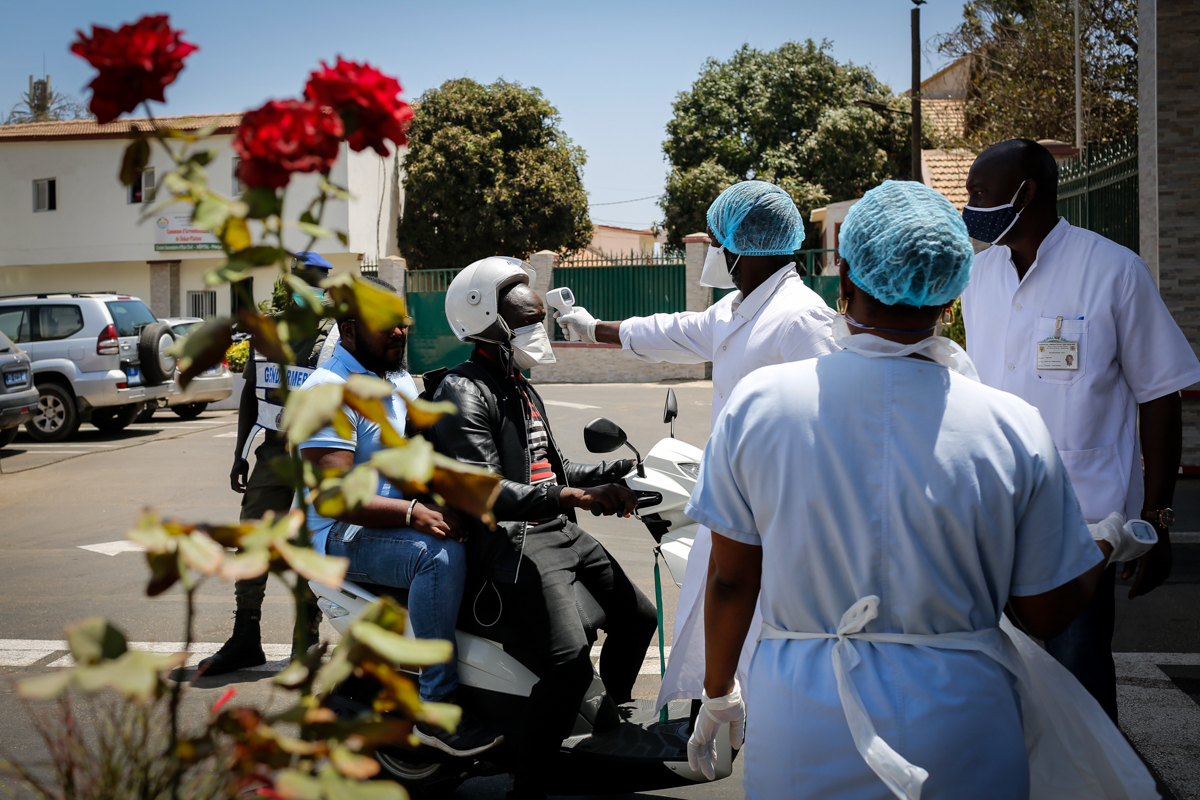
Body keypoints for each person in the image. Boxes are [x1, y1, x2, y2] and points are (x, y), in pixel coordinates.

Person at [686, 181, 1132, 799]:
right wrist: (1106, 543)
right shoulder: (1011, 424)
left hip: (804, 718)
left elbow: (732, 580)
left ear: (843, 284)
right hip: (965, 725)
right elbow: (1043, 610)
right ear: (950, 297)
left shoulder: (761, 405)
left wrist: (717, 693)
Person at [555, 180, 839, 710]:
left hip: (781, 512)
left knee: (769, 646)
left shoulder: (801, 318)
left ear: (737, 245)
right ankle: (716, 713)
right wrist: (593, 328)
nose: (712, 251)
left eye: (714, 241)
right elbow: (672, 330)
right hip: (735, 502)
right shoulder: (738, 308)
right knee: (720, 624)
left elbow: (829, 427)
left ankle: (750, 721)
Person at [961, 138, 1200, 721]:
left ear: (1026, 193)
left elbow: (1159, 397)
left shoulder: (1113, 271)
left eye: (980, 194)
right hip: (987, 512)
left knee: (1080, 683)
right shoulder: (976, 275)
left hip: (1082, 525)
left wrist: (1159, 520)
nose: (969, 206)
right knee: (991, 681)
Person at [429, 256, 659, 800]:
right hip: (514, 541)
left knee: (638, 618)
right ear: (486, 324)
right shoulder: (463, 392)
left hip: (556, 527)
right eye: (526, 322)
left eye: (537, 319)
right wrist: (573, 494)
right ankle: (528, 786)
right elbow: (484, 490)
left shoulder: (520, 385)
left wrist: (620, 472)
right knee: (568, 662)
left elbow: (551, 472)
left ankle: (608, 725)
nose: (538, 329)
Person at [296, 274, 504, 758]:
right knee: (437, 556)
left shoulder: (394, 380)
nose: (399, 332)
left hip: (384, 522)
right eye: (385, 324)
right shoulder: (330, 391)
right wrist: (414, 512)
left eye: (402, 322)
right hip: (340, 535)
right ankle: (437, 707)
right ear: (348, 329)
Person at [202, 251, 338, 675]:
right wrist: (240, 451)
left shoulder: (337, 331)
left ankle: (306, 640)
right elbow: (251, 391)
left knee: (308, 544)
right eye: (299, 277)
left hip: (319, 453)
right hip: (274, 450)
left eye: (313, 278)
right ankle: (246, 637)